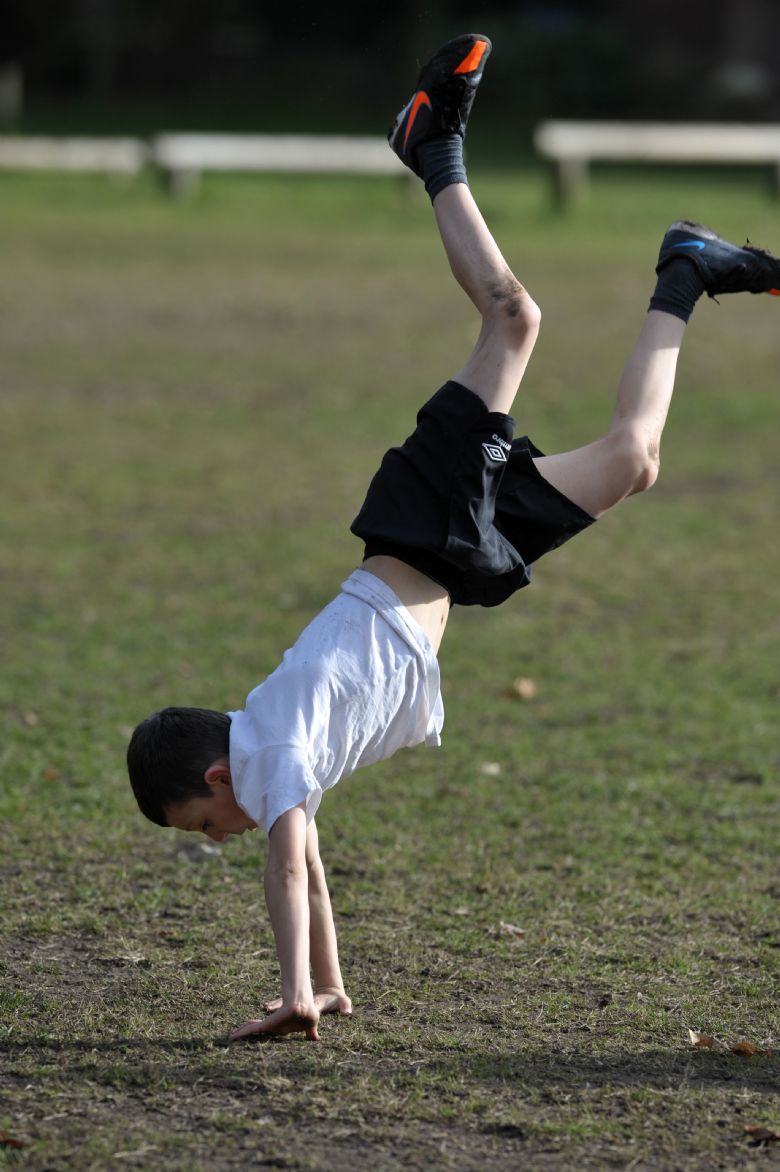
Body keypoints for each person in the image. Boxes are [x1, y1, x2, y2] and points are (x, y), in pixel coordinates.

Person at [126, 34, 780, 1041]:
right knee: (633, 462)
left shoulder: (270, 746)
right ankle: (687, 273)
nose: (225, 835)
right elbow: (311, 861)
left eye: (207, 827)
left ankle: (432, 145)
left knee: (514, 319)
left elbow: (289, 863)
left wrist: (292, 992)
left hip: (423, 526)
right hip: (452, 555)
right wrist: (329, 986)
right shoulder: (275, 758)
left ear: (216, 781)